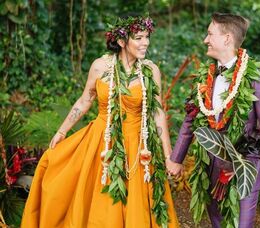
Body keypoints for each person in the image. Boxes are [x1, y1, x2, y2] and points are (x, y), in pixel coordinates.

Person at [21, 15, 179, 228]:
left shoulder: (150, 70)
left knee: (136, 201)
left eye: (147, 37)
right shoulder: (100, 66)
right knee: (97, 196)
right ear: (122, 42)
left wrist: (169, 155)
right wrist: (61, 131)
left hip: (137, 145)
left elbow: (157, 113)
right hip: (101, 142)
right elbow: (85, 100)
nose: (146, 43)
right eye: (139, 38)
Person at [166, 13, 260, 228]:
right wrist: (176, 158)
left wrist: (241, 161)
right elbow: (191, 121)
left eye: (210, 34)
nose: (205, 40)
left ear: (226, 38)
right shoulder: (204, 77)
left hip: (244, 173)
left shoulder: (256, 78)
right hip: (210, 171)